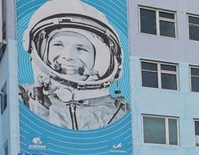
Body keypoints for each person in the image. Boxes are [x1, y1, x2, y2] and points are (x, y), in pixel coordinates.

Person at [19, 0, 129, 130]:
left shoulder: (122, 114)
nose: (68, 56)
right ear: (41, 49)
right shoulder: (23, 100)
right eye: (58, 45)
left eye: (81, 48)